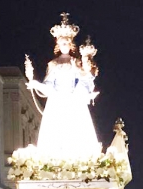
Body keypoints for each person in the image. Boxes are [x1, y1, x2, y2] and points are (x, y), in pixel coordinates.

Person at [26, 13, 100, 159]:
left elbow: (86, 80)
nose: (64, 45)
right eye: (62, 43)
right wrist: (36, 84)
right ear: (58, 45)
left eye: (66, 43)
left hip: (74, 101)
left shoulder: (76, 62)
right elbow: (48, 86)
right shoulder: (53, 64)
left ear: (71, 44)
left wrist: (84, 74)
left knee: (76, 134)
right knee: (55, 136)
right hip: (57, 102)